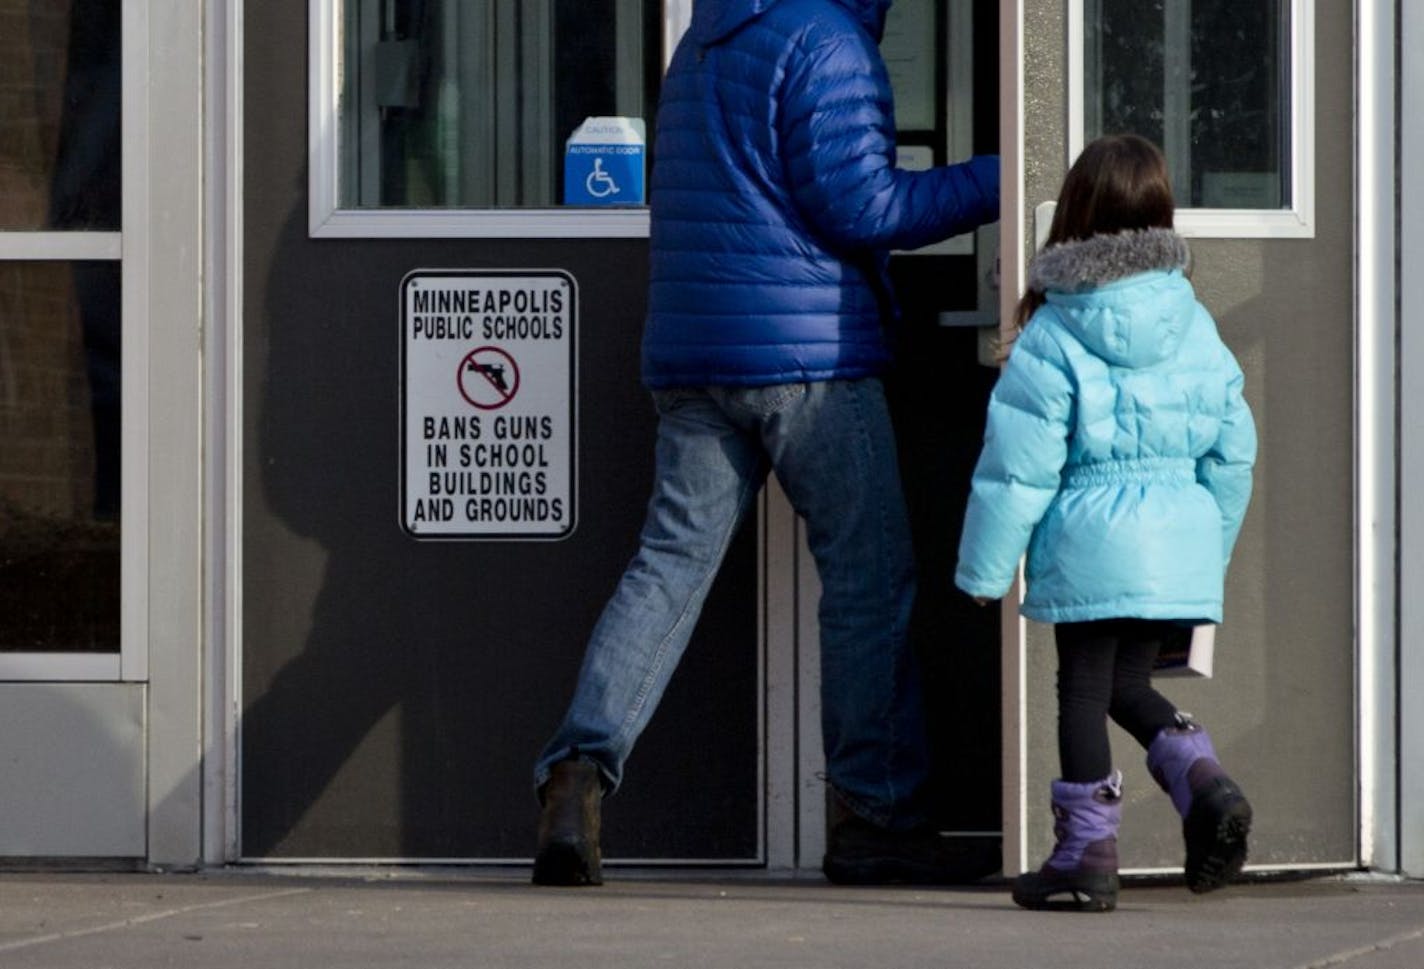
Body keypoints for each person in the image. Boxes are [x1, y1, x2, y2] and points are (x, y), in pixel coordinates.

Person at [532, 0, 1000, 887]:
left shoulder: (703, 41)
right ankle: (877, 816)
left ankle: (574, 774)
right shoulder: (824, 40)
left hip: (693, 354)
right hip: (807, 359)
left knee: (666, 569)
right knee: (867, 579)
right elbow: (864, 204)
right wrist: (1002, 177)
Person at [954, 134, 1257, 912]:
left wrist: (984, 572)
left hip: (1093, 540)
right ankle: (1205, 781)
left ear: (1077, 216)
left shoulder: (1056, 330)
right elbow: (1232, 452)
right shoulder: (1194, 321)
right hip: (1177, 543)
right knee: (1127, 683)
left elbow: (1019, 466)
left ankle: (1086, 851)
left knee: (1083, 690)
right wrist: (1206, 553)